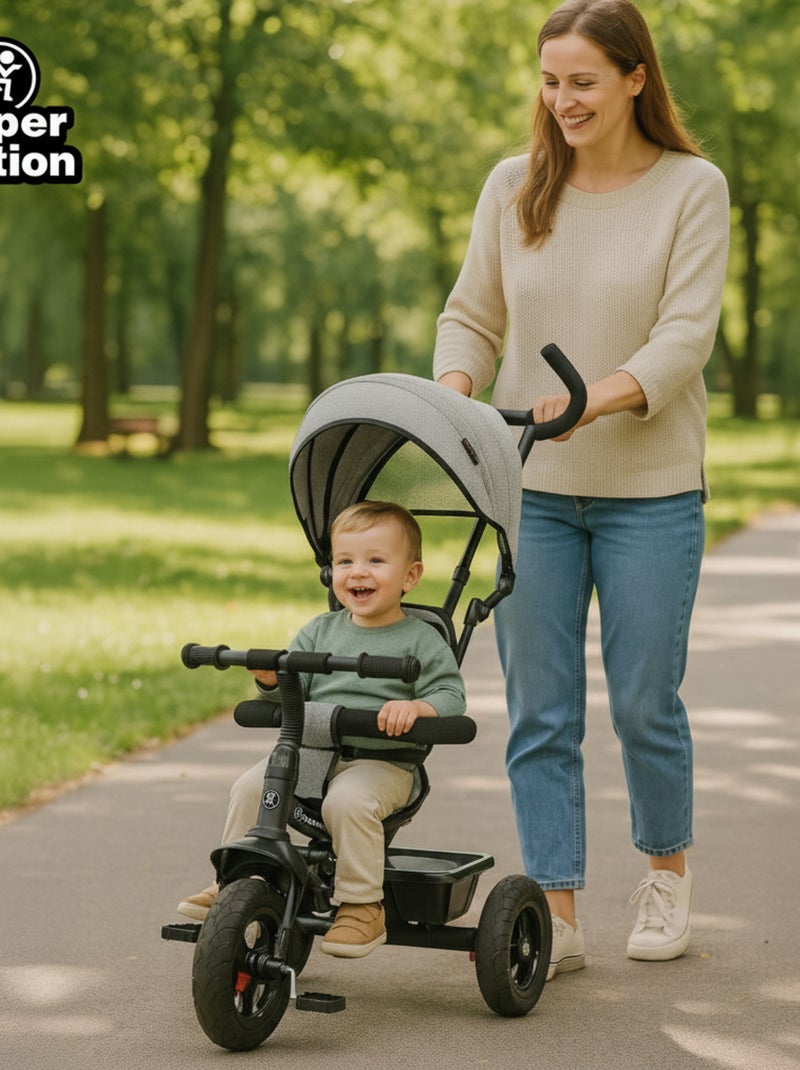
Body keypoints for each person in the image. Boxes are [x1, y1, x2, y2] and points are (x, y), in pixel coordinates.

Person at [433, 0, 729, 980]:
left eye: (583, 81)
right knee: (540, 708)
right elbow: (468, 317)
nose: (561, 99)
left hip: (648, 487)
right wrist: (454, 398)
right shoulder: (513, 187)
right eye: (549, 80)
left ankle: (663, 872)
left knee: (645, 696)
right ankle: (555, 909)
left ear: (634, 77)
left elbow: (683, 336)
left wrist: (591, 398)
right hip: (532, 488)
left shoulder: (691, 188)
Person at [177, 500, 466, 958]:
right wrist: (270, 681)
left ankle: (361, 906)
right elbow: (289, 696)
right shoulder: (319, 631)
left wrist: (418, 708)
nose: (358, 573)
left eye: (375, 560)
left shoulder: (421, 640)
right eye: (345, 561)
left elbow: (452, 698)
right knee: (251, 785)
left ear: (410, 576)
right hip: (311, 755)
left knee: (349, 802)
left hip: (382, 762)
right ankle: (237, 882)